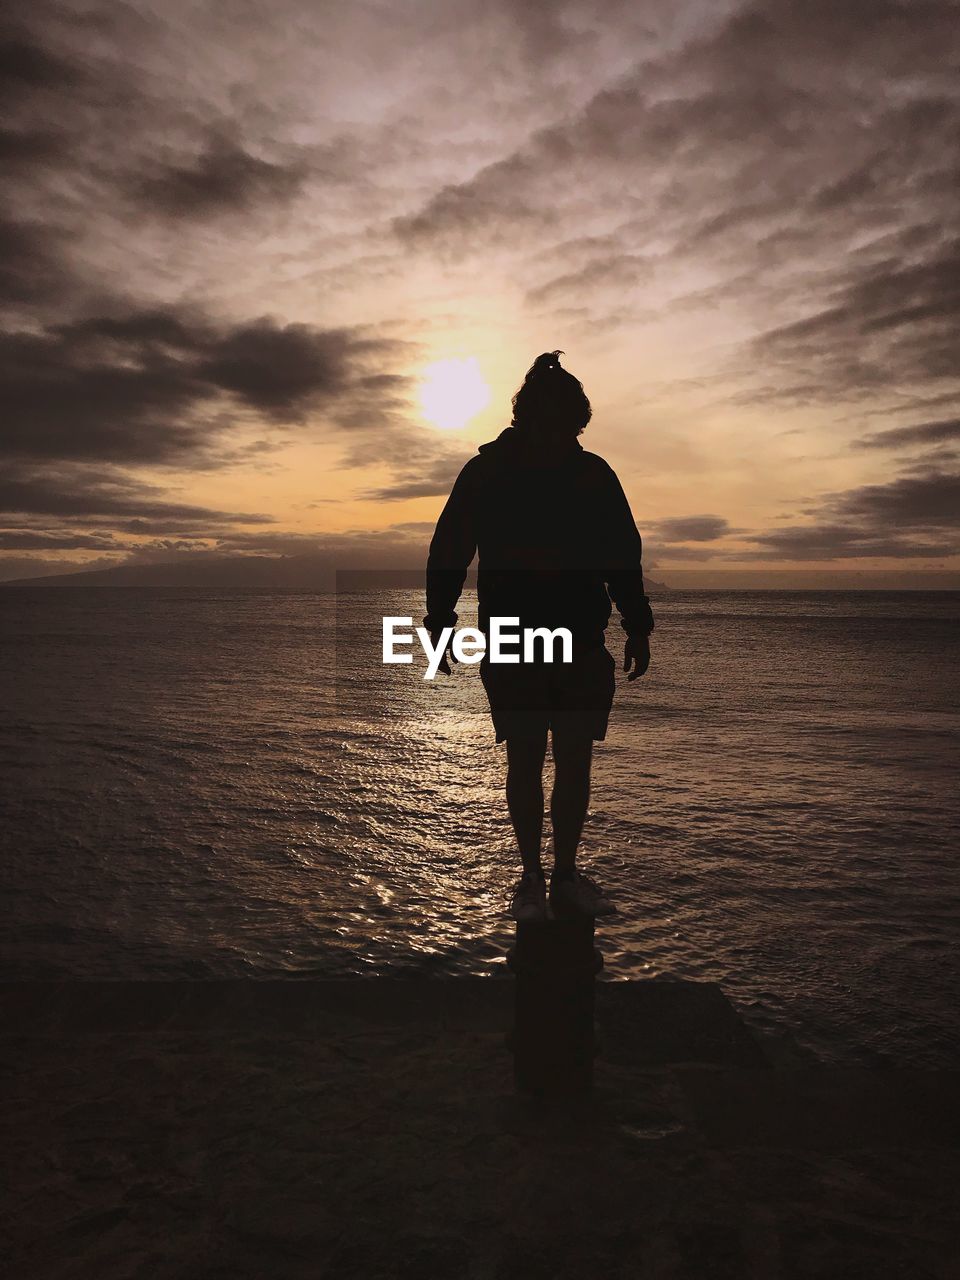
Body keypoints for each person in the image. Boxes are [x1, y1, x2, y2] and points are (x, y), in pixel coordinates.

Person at [424, 351, 653, 921]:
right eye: (556, 421)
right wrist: (438, 619)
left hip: (570, 638)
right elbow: (451, 548)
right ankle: (537, 878)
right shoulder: (504, 472)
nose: (561, 432)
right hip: (529, 639)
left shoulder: (583, 474)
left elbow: (622, 556)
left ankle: (557, 876)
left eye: (568, 423)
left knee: (560, 759)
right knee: (537, 758)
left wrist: (637, 621)